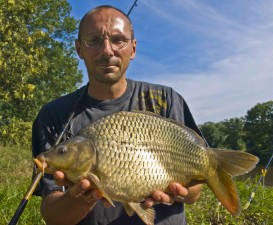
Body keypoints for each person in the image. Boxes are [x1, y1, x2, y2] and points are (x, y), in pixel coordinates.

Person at [32, 5, 205, 225]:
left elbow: (195, 191)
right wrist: (84, 196)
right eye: (93, 40)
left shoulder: (165, 99)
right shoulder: (54, 114)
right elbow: (53, 217)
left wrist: (180, 191)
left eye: (117, 40)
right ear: (79, 49)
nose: (106, 50)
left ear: (132, 49)